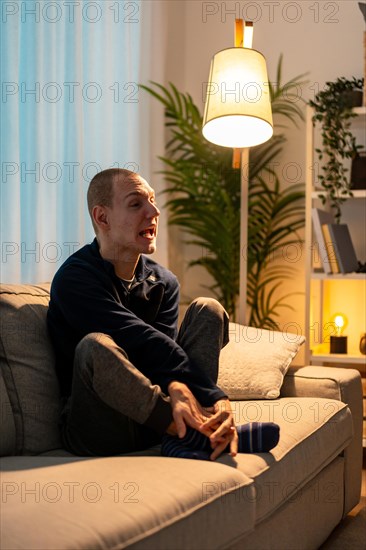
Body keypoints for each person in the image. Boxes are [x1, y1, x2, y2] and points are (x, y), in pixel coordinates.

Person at [47, 168, 279, 461]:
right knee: (95, 346)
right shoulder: (75, 279)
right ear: (102, 217)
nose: (154, 211)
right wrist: (212, 393)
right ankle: (198, 435)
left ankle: (192, 431)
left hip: (153, 421)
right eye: (136, 204)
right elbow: (139, 338)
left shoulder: (163, 281)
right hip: (99, 430)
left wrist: (188, 389)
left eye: (153, 201)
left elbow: (163, 353)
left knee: (208, 308)